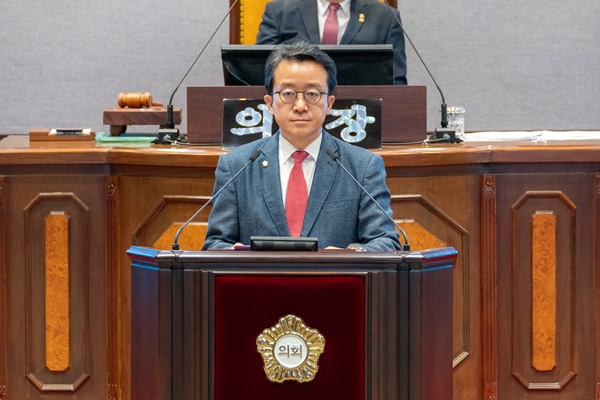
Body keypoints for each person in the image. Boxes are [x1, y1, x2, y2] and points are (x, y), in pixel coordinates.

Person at [202, 41, 401, 251]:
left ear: (329, 103)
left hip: (334, 273)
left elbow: (387, 242)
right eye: (288, 94)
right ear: (270, 104)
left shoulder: (362, 167)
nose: (300, 106)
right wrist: (232, 255)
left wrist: (352, 255)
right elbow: (215, 244)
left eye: (312, 94)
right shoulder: (236, 166)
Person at [256, 0, 407, 85]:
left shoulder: (385, 16)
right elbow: (259, 70)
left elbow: (397, 80)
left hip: (362, 113)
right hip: (295, 108)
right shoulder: (279, 11)